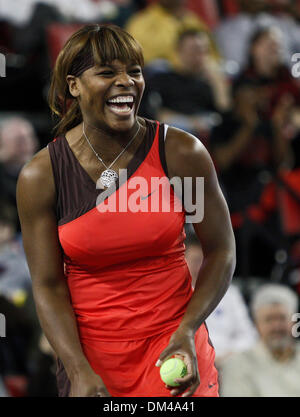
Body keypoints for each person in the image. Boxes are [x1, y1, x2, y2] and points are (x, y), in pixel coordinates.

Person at [16, 24, 235, 397]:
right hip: (92, 362)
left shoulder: (181, 153)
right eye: (107, 72)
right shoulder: (42, 176)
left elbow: (221, 250)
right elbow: (48, 286)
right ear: (74, 85)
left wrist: (187, 328)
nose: (126, 82)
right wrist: (77, 369)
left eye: (134, 71)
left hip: (176, 345)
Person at [142, 29, 230, 137]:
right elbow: (152, 113)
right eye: (194, 50)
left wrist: (218, 83)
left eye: (204, 51)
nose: (199, 56)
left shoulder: (209, 83)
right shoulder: (162, 80)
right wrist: (191, 122)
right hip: (175, 132)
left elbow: (225, 117)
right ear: (179, 51)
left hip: (204, 133)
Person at [185, 235, 257, 367]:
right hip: (192, 363)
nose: (200, 267)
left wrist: (228, 356)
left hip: (229, 364)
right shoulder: (175, 295)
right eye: (196, 261)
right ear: (183, 261)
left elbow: (248, 335)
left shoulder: (230, 293)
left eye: (204, 261)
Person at [220, 283, 300, 397]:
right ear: (257, 325)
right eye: (269, 320)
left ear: (293, 322)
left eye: (282, 318)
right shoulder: (237, 364)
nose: (276, 326)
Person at [125, 0, 216, 68]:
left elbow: (213, 54)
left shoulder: (194, 21)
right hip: (163, 78)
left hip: (198, 74)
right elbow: (139, 57)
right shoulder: (142, 22)